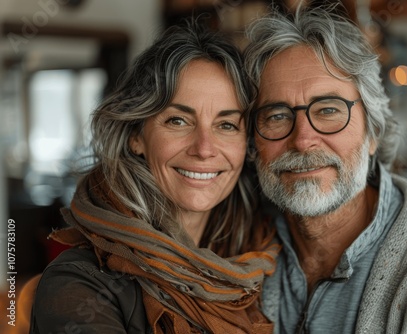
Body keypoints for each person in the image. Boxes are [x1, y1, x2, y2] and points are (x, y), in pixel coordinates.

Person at [244, 5, 407, 334]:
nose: (304, 140)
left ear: (373, 133)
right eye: (277, 115)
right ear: (252, 141)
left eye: (328, 110)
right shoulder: (236, 237)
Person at [29, 19, 280, 334]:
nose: (204, 149)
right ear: (137, 135)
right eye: (178, 120)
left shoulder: (262, 259)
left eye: (226, 125)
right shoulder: (78, 284)